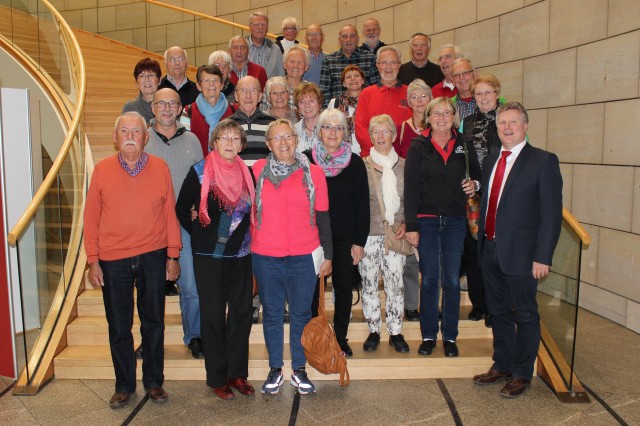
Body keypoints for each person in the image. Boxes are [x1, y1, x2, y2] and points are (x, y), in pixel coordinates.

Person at [84, 111, 181, 409]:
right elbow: (91, 218)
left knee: (153, 322)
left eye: (136, 131)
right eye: (124, 131)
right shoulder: (101, 170)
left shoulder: (160, 168)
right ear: (115, 138)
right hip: (113, 260)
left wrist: (173, 254)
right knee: (119, 325)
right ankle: (124, 385)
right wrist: (93, 260)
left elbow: (169, 214)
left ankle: (154, 382)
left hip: (153, 255)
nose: (129, 136)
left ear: (146, 137)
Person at [473, 102, 562, 398]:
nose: (507, 128)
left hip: (524, 255)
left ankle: (523, 373)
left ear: (525, 126)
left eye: (513, 122)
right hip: (489, 249)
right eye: (502, 123)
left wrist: (543, 256)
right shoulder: (491, 161)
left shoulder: (543, 161)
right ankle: (503, 365)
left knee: (524, 313)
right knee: (498, 312)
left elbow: (551, 214)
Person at [175, 119, 256, 400]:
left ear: (242, 144)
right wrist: (200, 232)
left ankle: (237, 373)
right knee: (212, 314)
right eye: (224, 138)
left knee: (242, 313)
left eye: (235, 138)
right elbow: (182, 208)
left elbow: (249, 213)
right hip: (210, 256)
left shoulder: (247, 173)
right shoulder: (199, 173)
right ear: (215, 142)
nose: (230, 143)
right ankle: (217, 377)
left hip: (242, 254)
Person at [252, 118, 332, 395]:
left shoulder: (314, 173)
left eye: (288, 136)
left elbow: (322, 216)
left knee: (300, 314)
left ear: (297, 141)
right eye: (277, 138)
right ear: (268, 144)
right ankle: (275, 369)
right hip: (265, 255)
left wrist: (328, 254)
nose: (283, 142)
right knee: (272, 314)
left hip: (303, 255)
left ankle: (299, 369)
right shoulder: (257, 171)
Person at [404, 97, 480, 358]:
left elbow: (477, 176)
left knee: (450, 280)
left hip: (456, 220)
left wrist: (475, 186)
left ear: (454, 117)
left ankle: (449, 336)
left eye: (447, 112)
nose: (441, 117)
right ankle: (428, 336)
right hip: (425, 220)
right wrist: (411, 225)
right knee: (430, 279)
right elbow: (411, 188)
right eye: (436, 113)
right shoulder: (418, 145)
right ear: (428, 117)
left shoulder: (465, 143)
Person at [145, 88, 205, 359]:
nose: (167, 109)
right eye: (161, 104)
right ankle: (150, 341)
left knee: (191, 286)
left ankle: (194, 335)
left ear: (181, 108)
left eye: (173, 104)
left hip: (184, 225)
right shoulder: (143, 139)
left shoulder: (192, 140)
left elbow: (202, 180)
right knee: (151, 289)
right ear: (153, 107)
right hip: (151, 227)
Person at [305, 109, 369, 356]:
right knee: (311, 291)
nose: (333, 132)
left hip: (344, 236)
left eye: (338, 127)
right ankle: (316, 339)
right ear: (319, 131)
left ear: (345, 133)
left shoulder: (355, 163)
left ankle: (340, 338)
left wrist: (359, 241)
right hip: (312, 236)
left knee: (344, 289)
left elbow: (362, 204)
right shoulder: (305, 159)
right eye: (327, 127)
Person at [360, 114, 409, 353]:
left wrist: (406, 223)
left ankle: (396, 331)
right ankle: (373, 330)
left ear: (393, 135)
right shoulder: (361, 165)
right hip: (368, 235)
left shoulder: (405, 165)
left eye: (385, 131)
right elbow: (355, 204)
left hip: (395, 234)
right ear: (370, 136)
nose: (381, 136)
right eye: (376, 132)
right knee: (369, 283)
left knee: (395, 284)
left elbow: (412, 199)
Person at [460, 74, 504, 327]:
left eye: (488, 93)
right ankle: (478, 305)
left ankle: (493, 307)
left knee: (492, 253)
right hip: (473, 195)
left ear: (497, 94)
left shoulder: (505, 120)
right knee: (473, 252)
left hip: (498, 194)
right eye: (479, 94)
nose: (483, 98)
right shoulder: (467, 122)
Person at [393, 79, 433, 322]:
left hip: (433, 196)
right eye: (414, 97)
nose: (419, 102)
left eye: (423, 96)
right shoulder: (402, 128)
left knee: (431, 255)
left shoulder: (439, 124)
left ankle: (430, 303)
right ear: (408, 102)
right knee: (409, 252)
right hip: (408, 193)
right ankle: (410, 304)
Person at [354, 46, 412, 157]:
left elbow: (414, 125)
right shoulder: (366, 93)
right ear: (377, 65)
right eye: (384, 62)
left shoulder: (410, 93)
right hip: (372, 157)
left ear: (399, 65)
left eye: (393, 62)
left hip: (403, 157)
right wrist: (379, 150)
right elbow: (360, 128)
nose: (388, 67)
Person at [319, 24, 379, 108]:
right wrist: (329, 114)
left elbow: (376, 88)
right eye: (344, 36)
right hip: (337, 113)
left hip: (365, 109)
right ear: (339, 40)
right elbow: (324, 92)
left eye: (352, 36)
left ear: (357, 39)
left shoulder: (370, 58)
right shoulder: (329, 61)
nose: (348, 39)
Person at [185, 65, 235, 157]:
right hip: (199, 168)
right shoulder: (188, 111)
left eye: (215, 80)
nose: (211, 84)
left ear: (222, 85)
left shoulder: (234, 110)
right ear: (199, 86)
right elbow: (185, 146)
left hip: (227, 167)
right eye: (207, 80)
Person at [230, 76, 276, 166]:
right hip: (237, 179)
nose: (248, 95)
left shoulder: (273, 124)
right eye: (243, 90)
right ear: (236, 96)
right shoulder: (226, 125)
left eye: (253, 90)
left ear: (260, 96)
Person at [327, 64, 365, 154]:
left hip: (366, 152)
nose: (353, 79)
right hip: (341, 152)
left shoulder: (370, 102)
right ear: (343, 83)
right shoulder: (334, 103)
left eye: (356, 75)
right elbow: (328, 130)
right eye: (348, 77)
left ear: (363, 81)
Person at [122, 58, 161, 124]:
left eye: (151, 75)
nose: (147, 80)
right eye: (141, 76)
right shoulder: (129, 108)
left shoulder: (169, 105)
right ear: (137, 83)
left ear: (159, 80)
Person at [246, 12, 285, 78]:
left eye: (263, 24)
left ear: (267, 28)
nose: (260, 27)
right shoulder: (240, 47)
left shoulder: (275, 49)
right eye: (256, 24)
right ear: (250, 27)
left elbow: (281, 75)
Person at [293, 82, 323, 153]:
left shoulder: (330, 128)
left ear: (319, 103)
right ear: (298, 107)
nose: (307, 106)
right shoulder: (293, 130)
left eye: (311, 101)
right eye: (302, 102)